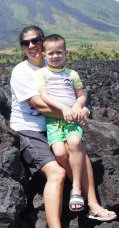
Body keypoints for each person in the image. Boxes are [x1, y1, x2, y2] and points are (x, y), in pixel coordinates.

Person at [9, 26, 116, 228]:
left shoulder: (54, 69)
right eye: (25, 43)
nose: (31, 46)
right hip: (29, 131)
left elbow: (74, 95)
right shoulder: (22, 72)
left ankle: (93, 205)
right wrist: (77, 114)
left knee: (78, 152)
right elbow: (38, 105)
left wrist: (78, 109)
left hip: (53, 127)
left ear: (44, 43)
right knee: (56, 173)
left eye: (35, 40)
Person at [34, 34, 89, 212]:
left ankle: (76, 189)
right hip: (54, 120)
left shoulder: (72, 74)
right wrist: (63, 109)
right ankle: (76, 181)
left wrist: (77, 107)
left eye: (59, 52)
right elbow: (44, 96)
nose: (55, 56)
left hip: (72, 119)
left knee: (74, 142)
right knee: (59, 153)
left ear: (66, 53)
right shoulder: (42, 74)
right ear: (44, 55)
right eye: (51, 53)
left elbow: (81, 95)